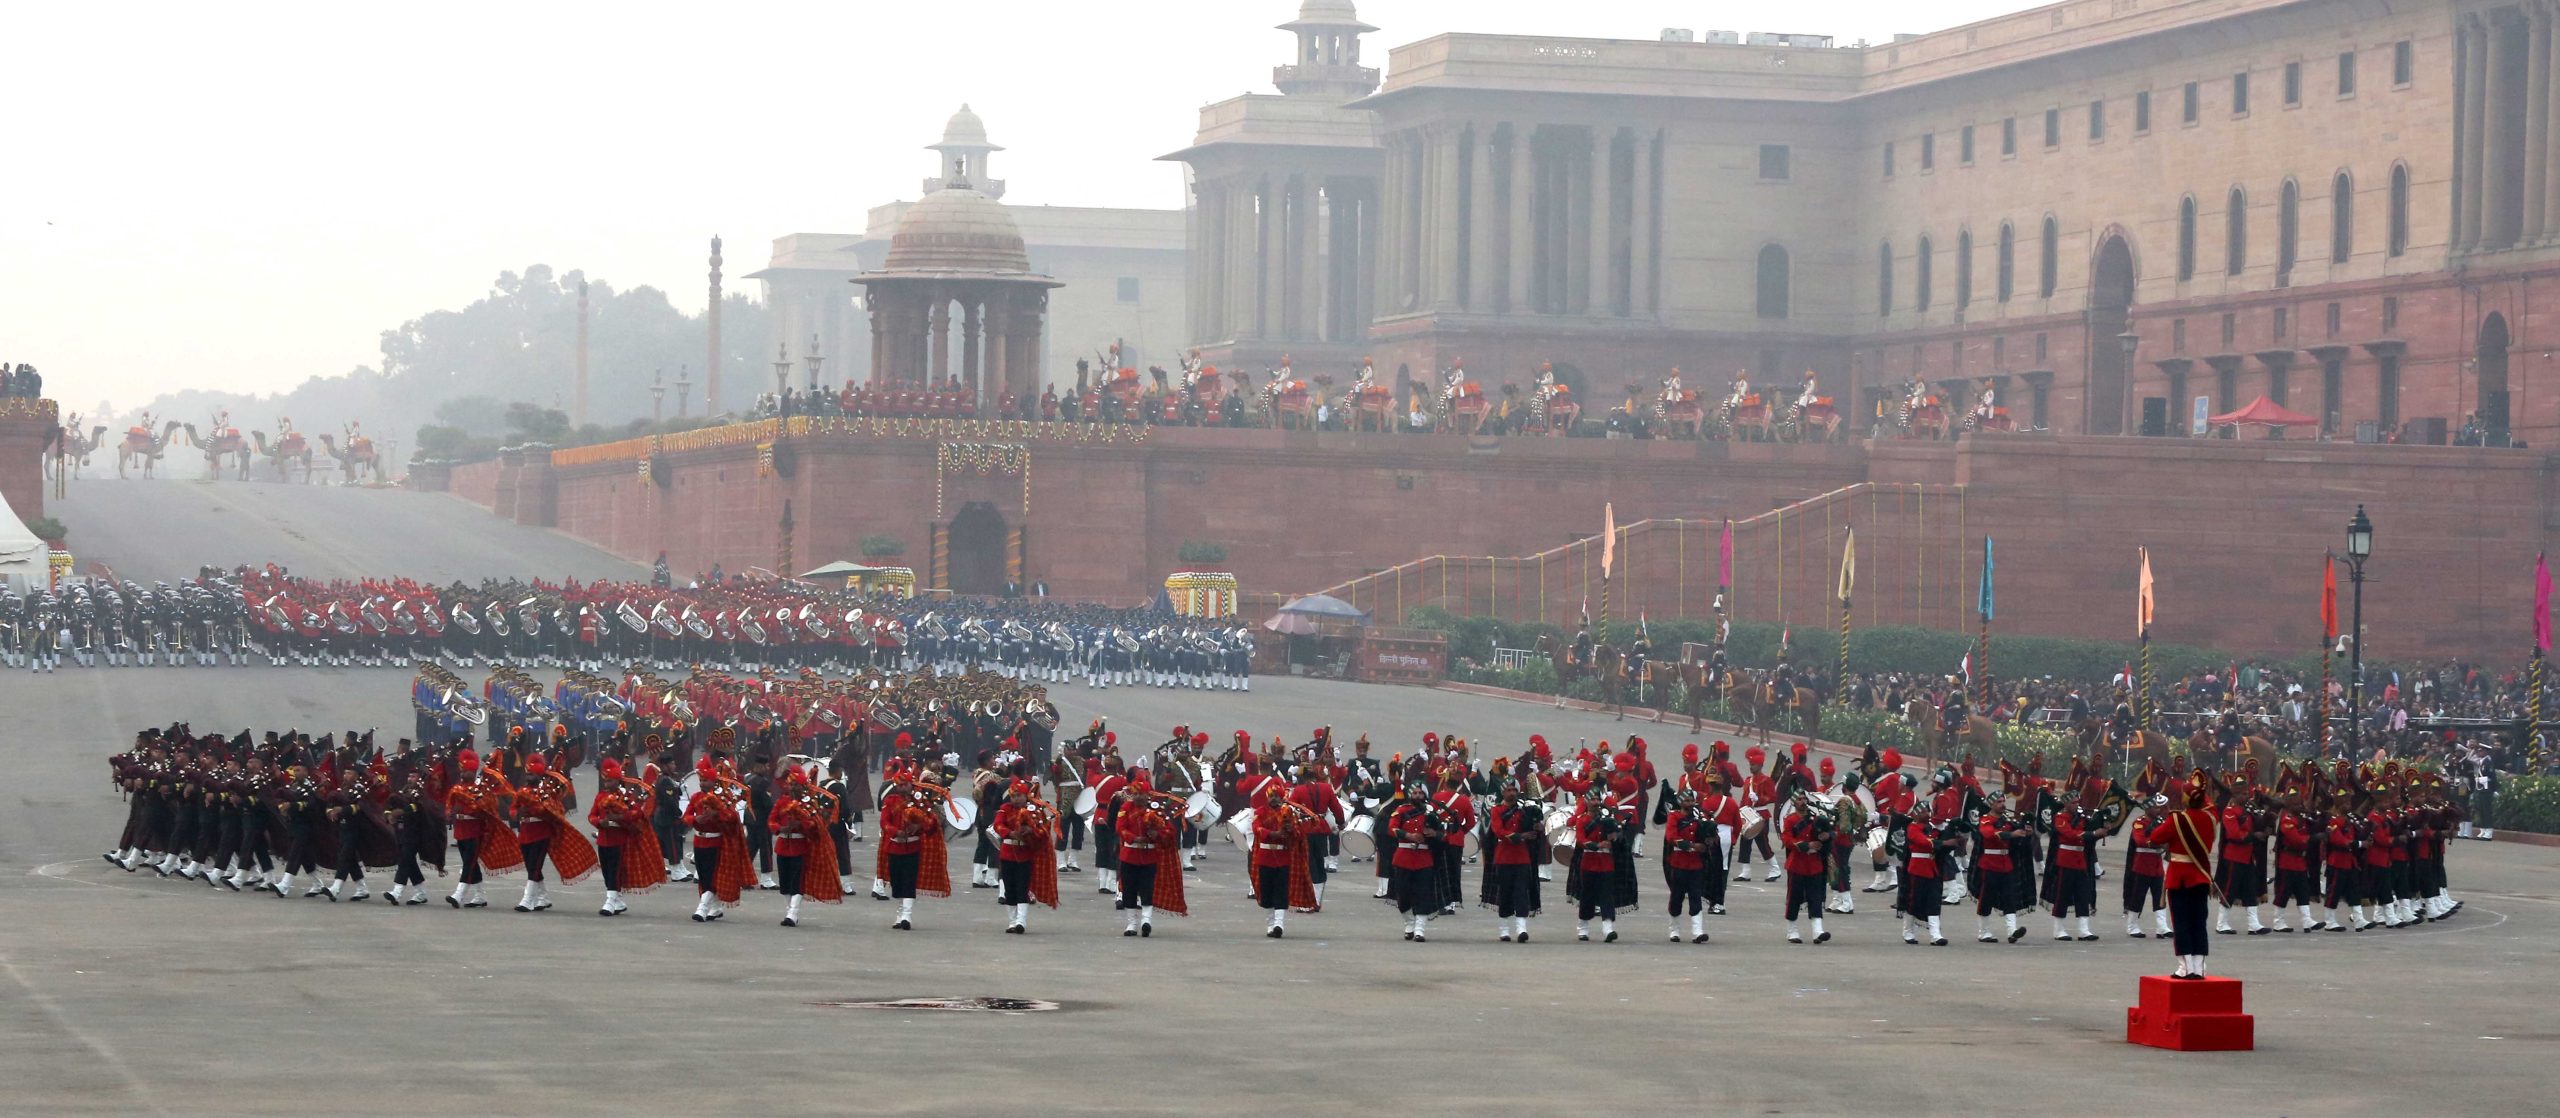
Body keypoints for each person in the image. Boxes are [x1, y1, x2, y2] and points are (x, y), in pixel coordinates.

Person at [2147, 773, 2219, 979]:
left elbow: (2155, 837)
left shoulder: (2177, 819)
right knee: (2199, 921)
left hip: (2179, 877)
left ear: (2187, 798)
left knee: (2181, 922)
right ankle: (2199, 967)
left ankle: (2184, 966)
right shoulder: (2210, 817)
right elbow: (2209, 804)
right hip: (2201, 876)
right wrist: (2200, 789)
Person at [443, 748, 519, 908]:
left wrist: (467, 805)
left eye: (466, 771)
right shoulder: (457, 788)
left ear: (473, 771)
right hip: (461, 829)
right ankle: (479, 895)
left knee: (469, 862)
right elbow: (449, 805)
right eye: (462, 771)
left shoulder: (482, 788)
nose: (463, 774)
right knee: (468, 861)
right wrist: (450, 812)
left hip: (475, 829)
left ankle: (459, 894)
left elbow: (487, 805)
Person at [768, 766, 843, 928]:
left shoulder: (810, 803)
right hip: (782, 846)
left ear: (803, 787)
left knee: (797, 882)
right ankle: (790, 909)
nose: (792, 787)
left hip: (799, 847)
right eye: (790, 784)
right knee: (785, 883)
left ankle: (793, 913)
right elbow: (771, 821)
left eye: (796, 785)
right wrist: (780, 828)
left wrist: (800, 824)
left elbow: (815, 825)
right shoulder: (781, 802)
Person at [586, 759, 663, 916]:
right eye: (605, 780)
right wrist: (599, 822)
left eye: (610, 780)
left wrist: (620, 817)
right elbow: (591, 815)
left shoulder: (626, 796)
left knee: (614, 870)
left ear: (618, 780)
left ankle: (610, 900)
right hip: (603, 839)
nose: (607, 783)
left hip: (619, 839)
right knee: (606, 870)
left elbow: (638, 813)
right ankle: (617, 900)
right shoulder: (600, 797)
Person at [1246, 783, 1318, 937]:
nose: (1274, 799)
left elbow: (1299, 834)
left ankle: (1279, 925)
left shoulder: (1289, 813)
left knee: (1281, 892)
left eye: (1277, 796)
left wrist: (1291, 830)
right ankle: (1270, 925)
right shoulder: (1261, 812)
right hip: (1264, 857)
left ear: (1282, 797)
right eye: (1271, 796)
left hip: (1283, 858)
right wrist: (1274, 834)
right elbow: (1256, 828)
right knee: (1266, 894)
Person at [989, 778, 1059, 933]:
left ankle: (1021, 921)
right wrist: (1010, 833)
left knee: (1022, 888)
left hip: (1025, 854)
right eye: (1013, 796)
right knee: (1009, 888)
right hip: (1007, 853)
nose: (1016, 799)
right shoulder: (1005, 808)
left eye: (1019, 795)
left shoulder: (1035, 810)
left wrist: (1032, 832)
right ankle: (1012, 921)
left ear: (1026, 796)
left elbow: (1044, 831)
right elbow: (998, 825)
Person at [1383, 780, 1447, 942]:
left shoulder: (1432, 812)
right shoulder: (1402, 810)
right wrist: (1408, 835)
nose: (1418, 796)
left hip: (1424, 859)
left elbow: (1444, 834)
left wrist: (1434, 834)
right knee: (1403, 895)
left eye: (1421, 793)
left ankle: (1420, 929)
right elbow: (1392, 828)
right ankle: (1409, 922)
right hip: (1403, 856)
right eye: (1415, 793)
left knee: (1423, 895)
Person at [1481, 778, 1542, 942]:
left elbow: (1532, 826)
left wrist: (1537, 827)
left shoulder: (1524, 810)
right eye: (1509, 790)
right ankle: (1504, 929)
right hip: (1503, 857)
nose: (1512, 793)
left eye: (1514, 790)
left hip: (1522, 857)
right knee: (1505, 893)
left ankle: (1522, 929)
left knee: (1521, 893)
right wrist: (1521, 836)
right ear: (1503, 792)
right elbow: (1498, 831)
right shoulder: (1497, 810)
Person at [1563, 787, 1626, 942]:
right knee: (1587, 896)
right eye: (1593, 800)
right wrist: (1598, 845)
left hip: (1606, 863)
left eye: (1598, 800)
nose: (1596, 803)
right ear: (1587, 801)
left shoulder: (1606, 819)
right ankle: (1582, 928)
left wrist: (1615, 837)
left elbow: (1617, 839)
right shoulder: (1582, 820)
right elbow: (1581, 840)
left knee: (1607, 896)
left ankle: (1608, 929)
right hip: (1589, 863)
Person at [1661, 788, 1717, 943]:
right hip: (1678, 862)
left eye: (1692, 801)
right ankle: (1674, 930)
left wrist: (1709, 839)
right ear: (1680, 802)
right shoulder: (1674, 816)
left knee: (1695, 897)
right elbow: (1671, 837)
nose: (1690, 804)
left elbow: (1705, 835)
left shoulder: (1699, 817)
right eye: (1686, 801)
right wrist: (1693, 846)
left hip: (1695, 864)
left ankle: (1697, 932)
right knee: (1676, 898)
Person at [1781, 791, 1836, 944]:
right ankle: (1792, 931)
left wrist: (1827, 836)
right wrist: (1806, 845)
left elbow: (1831, 831)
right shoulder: (1790, 820)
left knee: (1815, 898)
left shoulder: (1816, 818)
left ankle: (1817, 931)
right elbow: (1786, 839)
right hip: (1797, 863)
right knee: (1794, 898)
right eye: (1799, 799)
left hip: (1814, 864)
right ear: (1794, 803)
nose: (1803, 801)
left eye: (1804, 798)